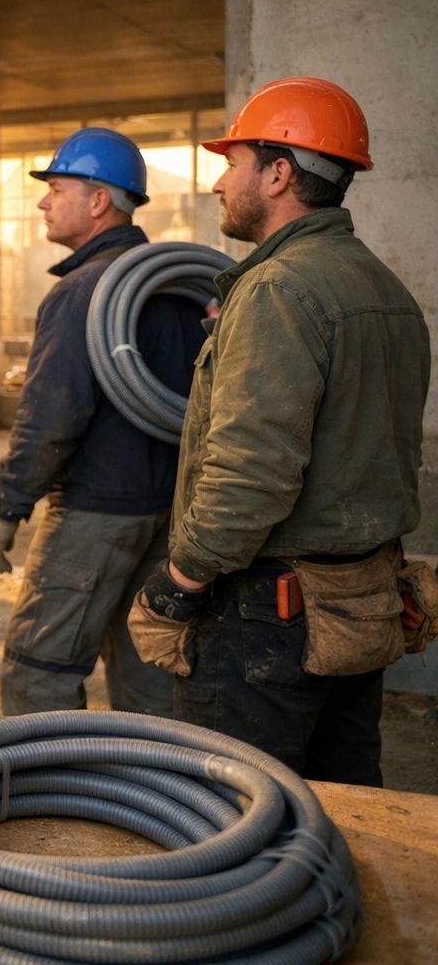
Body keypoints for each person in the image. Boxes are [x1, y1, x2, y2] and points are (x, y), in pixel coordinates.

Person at [130, 77, 429, 785]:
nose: (217, 183)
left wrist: (178, 582)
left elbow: (250, 478)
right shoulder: (386, 291)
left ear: (279, 172)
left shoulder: (277, 289)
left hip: (267, 616)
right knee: (343, 808)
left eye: (232, 163)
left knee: (231, 821)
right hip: (356, 604)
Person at [0, 127, 204, 716]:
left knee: (39, 671)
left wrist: (6, 508)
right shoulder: (182, 289)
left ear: (98, 199)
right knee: (146, 673)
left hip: (97, 513)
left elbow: (51, 417)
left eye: (55, 187)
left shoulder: (80, 292)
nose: (42, 202)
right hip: (169, 513)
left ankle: (55, 802)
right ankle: (152, 800)